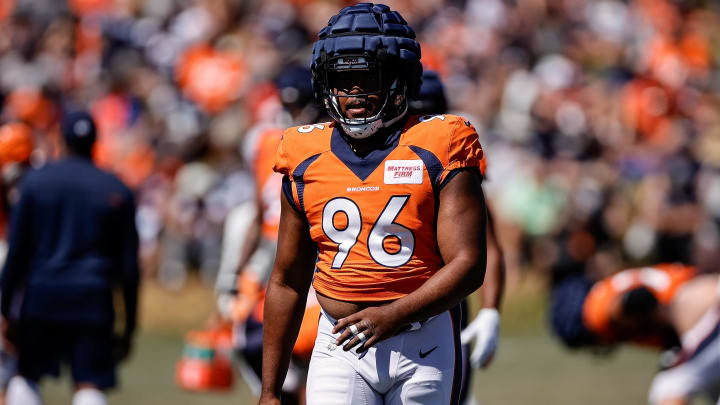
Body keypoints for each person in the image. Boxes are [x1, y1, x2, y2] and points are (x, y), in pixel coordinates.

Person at [260, 4, 488, 405]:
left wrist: (394, 314)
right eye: (342, 80)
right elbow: (286, 279)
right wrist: (270, 390)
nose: (354, 94)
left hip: (423, 340)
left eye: (368, 78)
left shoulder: (441, 142)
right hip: (340, 343)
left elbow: (469, 264)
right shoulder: (302, 152)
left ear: (400, 80)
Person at [0, 111, 140, 405]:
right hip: (93, 297)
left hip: (41, 295)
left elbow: (17, 254)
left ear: (61, 140)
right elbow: (129, 267)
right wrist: (128, 324)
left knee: (26, 377)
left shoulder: (35, 184)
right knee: (88, 384)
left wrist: (5, 309)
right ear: (94, 142)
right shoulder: (116, 188)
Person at [214, 65, 324, 404]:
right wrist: (236, 271)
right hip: (273, 258)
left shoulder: (331, 141)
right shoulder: (267, 144)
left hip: (319, 258)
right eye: (288, 105)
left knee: (312, 347)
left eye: (298, 105)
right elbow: (260, 212)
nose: (292, 113)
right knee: (251, 340)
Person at [409, 70, 505, 405]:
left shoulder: (453, 154)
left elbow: (487, 244)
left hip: (443, 302)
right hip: (381, 293)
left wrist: (491, 310)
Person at [550, 263, 720, 405]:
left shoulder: (594, 312)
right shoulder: (607, 287)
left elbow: (639, 298)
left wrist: (663, 314)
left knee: (667, 388)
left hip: (709, 316)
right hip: (708, 304)